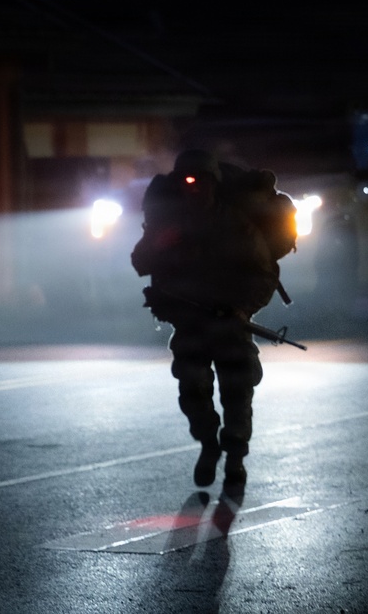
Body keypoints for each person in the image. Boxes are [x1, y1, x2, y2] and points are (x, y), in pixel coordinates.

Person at [131, 149, 282, 499]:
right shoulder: (169, 223)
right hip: (190, 324)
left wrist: (242, 310)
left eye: (200, 180)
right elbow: (140, 261)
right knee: (192, 391)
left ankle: (235, 459)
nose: (193, 187)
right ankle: (208, 444)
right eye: (187, 180)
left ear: (213, 183)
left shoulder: (236, 224)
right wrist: (159, 243)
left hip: (230, 324)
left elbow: (262, 275)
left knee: (237, 393)